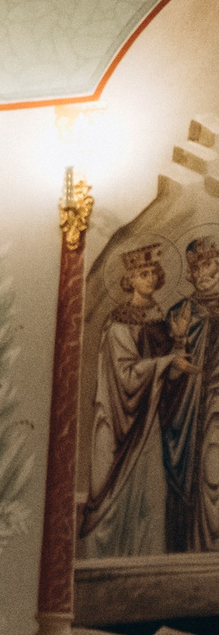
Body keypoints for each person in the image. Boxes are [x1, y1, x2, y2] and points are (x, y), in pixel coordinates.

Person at [79, 245, 182, 557]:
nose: (149, 279)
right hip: (126, 418)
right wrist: (166, 363)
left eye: (152, 273)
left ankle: (149, 556)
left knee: (154, 490)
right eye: (142, 274)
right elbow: (125, 375)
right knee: (124, 488)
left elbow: (170, 371)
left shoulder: (160, 318)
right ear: (129, 280)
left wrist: (177, 348)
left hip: (153, 417)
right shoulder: (119, 321)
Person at [161, 236, 219, 554]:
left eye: (210, 264)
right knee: (211, 469)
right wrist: (180, 345)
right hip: (200, 406)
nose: (204, 273)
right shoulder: (182, 313)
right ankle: (205, 550)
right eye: (197, 267)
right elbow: (169, 376)